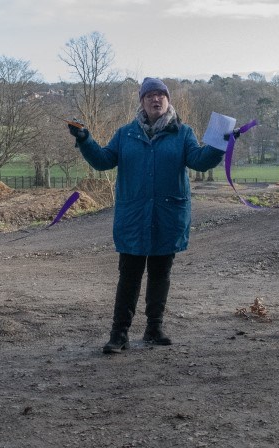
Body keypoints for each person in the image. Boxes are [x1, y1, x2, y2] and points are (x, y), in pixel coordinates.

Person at [68, 77, 226, 353]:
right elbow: (103, 161)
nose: (156, 100)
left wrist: (220, 143)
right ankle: (119, 334)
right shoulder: (125, 134)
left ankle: (154, 328)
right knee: (129, 275)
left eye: (161, 95)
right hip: (134, 217)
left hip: (167, 216)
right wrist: (85, 139)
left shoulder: (183, 133)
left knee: (160, 273)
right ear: (141, 102)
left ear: (168, 100)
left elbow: (200, 161)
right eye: (150, 95)